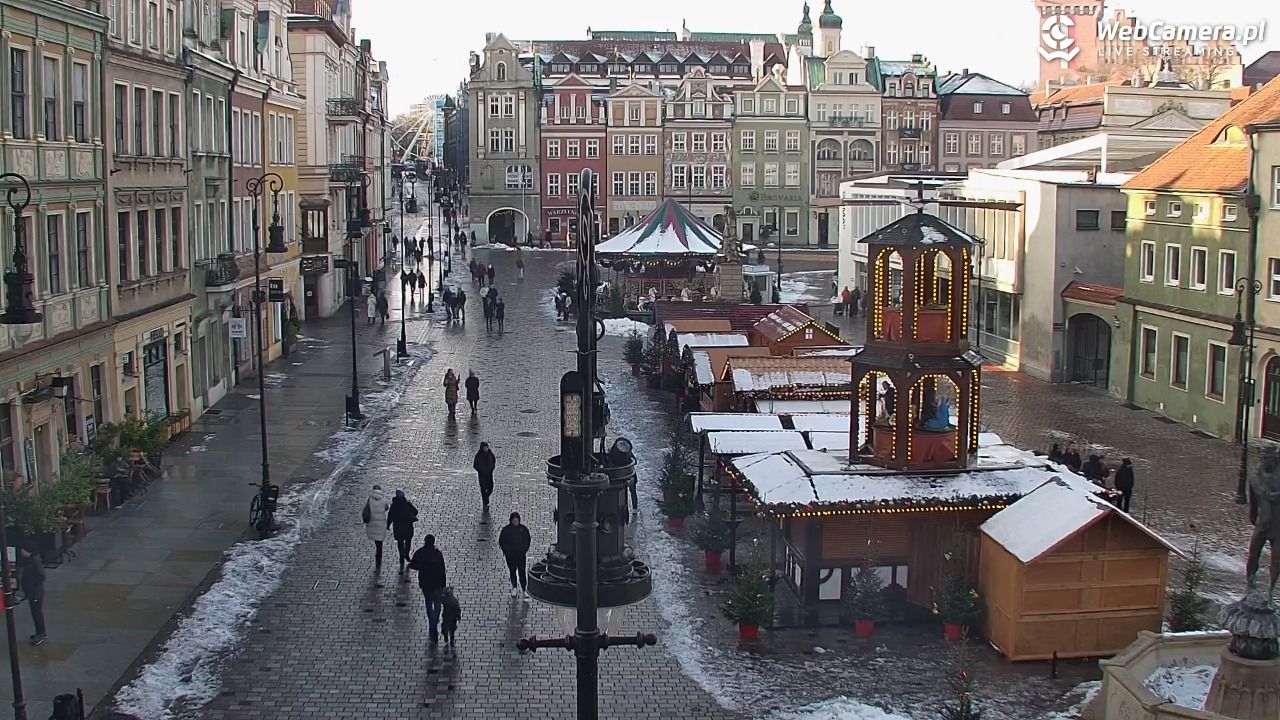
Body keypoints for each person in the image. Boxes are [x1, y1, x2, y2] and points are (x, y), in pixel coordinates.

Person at [408, 535, 447, 644]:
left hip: (425, 583)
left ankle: (432, 625)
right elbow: (442, 570)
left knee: (429, 604)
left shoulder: (421, 552)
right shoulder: (437, 554)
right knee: (438, 605)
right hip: (437, 583)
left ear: (425, 541)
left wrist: (422, 566)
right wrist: (443, 585)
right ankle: (435, 622)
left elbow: (412, 565)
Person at [498, 512, 532, 600]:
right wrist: (506, 552)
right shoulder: (506, 530)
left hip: (521, 555)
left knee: (522, 572)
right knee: (512, 571)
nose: (515, 522)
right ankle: (514, 587)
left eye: (517, 520)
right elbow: (502, 541)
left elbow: (527, 540)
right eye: (514, 521)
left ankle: (524, 589)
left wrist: (524, 549)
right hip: (510, 556)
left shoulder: (523, 529)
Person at [387, 490, 419, 574]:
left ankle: (401, 556)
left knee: (400, 542)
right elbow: (416, 511)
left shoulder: (394, 505)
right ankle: (407, 554)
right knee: (408, 541)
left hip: (398, 527)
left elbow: (390, 516)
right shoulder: (407, 504)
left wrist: (388, 525)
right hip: (408, 527)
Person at [19, 547, 45, 645]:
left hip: (35, 593)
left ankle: (41, 634)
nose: (21, 552)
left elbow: (41, 575)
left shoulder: (34, 561)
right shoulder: (30, 560)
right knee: (35, 613)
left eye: (22, 550)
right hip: (32, 592)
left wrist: (32, 585)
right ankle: (40, 632)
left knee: (37, 613)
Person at [362, 484, 390, 571]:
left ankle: (377, 559)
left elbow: (365, 510)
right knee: (380, 543)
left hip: (372, 523)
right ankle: (379, 559)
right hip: (381, 523)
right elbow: (386, 508)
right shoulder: (384, 500)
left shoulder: (369, 500)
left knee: (376, 541)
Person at [473, 442, 496, 509]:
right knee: (483, 489)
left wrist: (492, 468)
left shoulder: (490, 454)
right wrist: (481, 470)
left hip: (489, 475)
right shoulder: (478, 455)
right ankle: (485, 502)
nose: (486, 449)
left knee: (490, 488)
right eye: (484, 448)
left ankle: (486, 498)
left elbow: (494, 461)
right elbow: (475, 465)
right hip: (482, 476)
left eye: (486, 447)